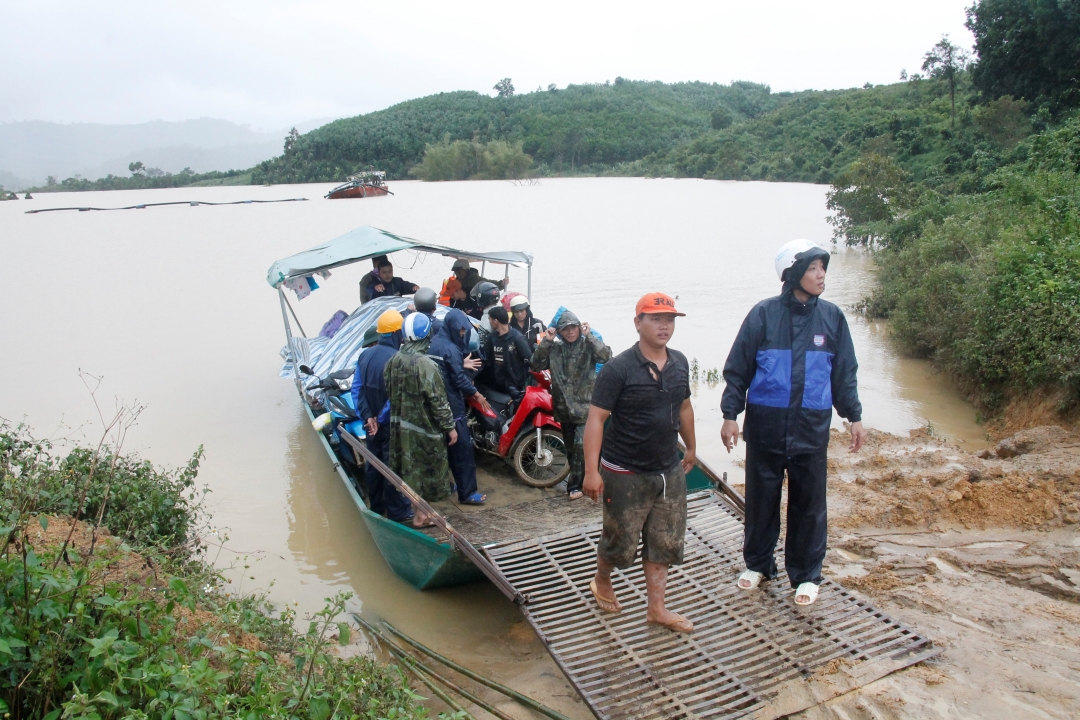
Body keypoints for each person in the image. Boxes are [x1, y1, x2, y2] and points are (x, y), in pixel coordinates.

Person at [720, 239, 865, 607]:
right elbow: (738, 369)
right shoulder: (763, 315)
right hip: (766, 427)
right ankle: (758, 565)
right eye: (813, 268)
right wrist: (729, 414)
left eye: (823, 268)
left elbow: (844, 373)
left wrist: (854, 415)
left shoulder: (832, 318)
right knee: (761, 501)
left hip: (811, 429)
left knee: (809, 505)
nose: (821, 275)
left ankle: (806, 575)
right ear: (792, 273)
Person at [582, 293, 696, 634]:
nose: (665, 326)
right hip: (624, 472)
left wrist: (690, 448)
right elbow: (596, 420)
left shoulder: (679, 363)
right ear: (638, 323)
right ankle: (601, 580)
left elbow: (685, 407)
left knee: (666, 541)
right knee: (619, 541)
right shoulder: (618, 369)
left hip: (668, 470)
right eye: (656, 318)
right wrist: (591, 471)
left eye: (670, 319)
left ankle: (656, 608)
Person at [384, 312, 458, 527]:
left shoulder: (393, 361)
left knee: (410, 471)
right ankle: (422, 515)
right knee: (427, 472)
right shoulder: (425, 365)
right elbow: (438, 400)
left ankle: (420, 513)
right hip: (425, 431)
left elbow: (389, 391)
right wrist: (450, 427)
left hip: (401, 427)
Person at [531, 310, 612, 500]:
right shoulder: (555, 349)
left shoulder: (587, 346)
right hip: (563, 408)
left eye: (573, 328)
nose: (570, 332)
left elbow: (606, 356)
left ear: (579, 327)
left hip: (586, 408)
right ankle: (585, 480)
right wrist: (547, 341)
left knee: (580, 445)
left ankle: (575, 486)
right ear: (560, 331)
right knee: (570, 449)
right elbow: (535, 363)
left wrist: (589, 335)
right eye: (565, 329)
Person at [351, 310, 413, 524]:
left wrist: (368, 417)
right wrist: (380, 418)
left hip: (371, 426)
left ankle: (376, 506)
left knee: (373, 465)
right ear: (397, 333)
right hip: (389, 425)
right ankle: (399, 512)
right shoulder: (397, 360)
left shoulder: (364, 356)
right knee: (393, 466)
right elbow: (395, 398)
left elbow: (357, 389)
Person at [428, 309, 490, 505]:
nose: (463, 334)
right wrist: (477, 394)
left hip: (437, 404)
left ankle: (447, 484)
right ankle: (468, 492)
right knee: (463, 449)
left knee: (444, 448)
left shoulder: (434, 343)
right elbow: (458, 379)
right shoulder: (451, 350)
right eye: (461, 330)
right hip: (453, 407)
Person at [481, 306, 534, 401]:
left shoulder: (517, 338)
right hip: (498, 385)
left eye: (490, 319)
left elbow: (530, 359)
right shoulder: (492, 338)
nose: (489, 321)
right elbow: (484, 357)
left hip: (516, 386)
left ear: (496, 321)